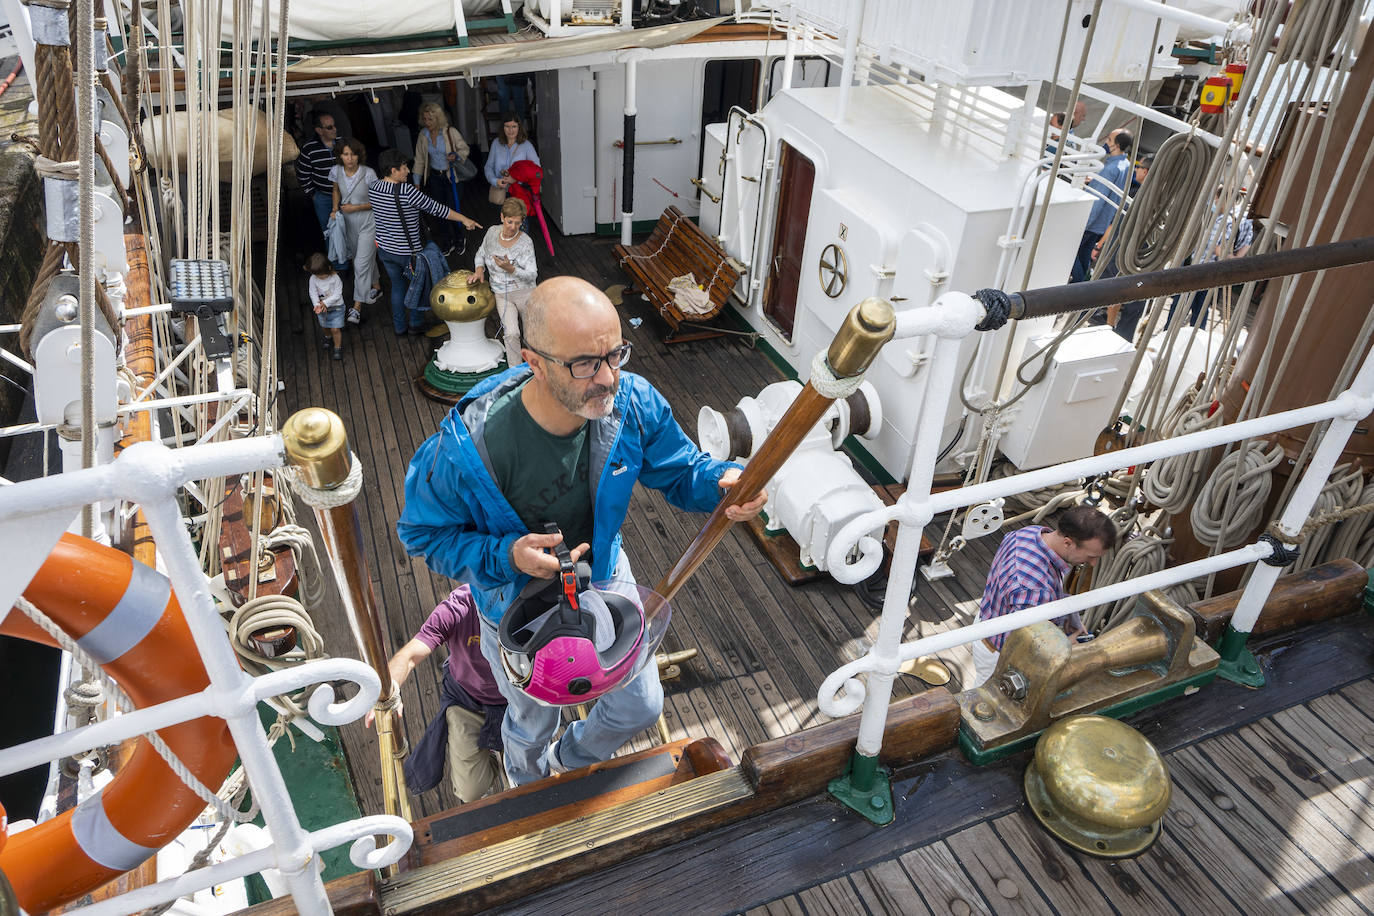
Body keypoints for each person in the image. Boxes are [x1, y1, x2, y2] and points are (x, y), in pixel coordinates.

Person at [396, 276, 766, 787]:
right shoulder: (465, 450)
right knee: (529, 718)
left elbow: (681, 470)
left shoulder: (632, 405)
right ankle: (526, 786)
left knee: (640, 704)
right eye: (586, 364)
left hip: (604, 575)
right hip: (514, 602)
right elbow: (422, 536)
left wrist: (717, 481)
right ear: (534, 362)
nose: (609, 378)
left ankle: (565, 763)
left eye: (616, 355)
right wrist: (507, 555)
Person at [369, 585, 507, 803]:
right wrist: (388, 690)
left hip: (518, 702)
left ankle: (504, 753)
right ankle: (488, 754)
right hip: (467, 700)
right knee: (470, 792)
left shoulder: (529, 601)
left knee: (527, 779)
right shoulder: (459, 606)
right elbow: (410, 655)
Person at [970, 505, 1118, 688]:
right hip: (1000, 655)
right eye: (1091, 556)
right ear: (1067, 542)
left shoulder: (1027, 534)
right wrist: (1066, 646)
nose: (1094, 564)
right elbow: (1030, 646)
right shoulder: (1033, 589)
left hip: (987, 621)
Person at [368, 149, 481, 337]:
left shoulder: (374, 187)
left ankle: (399, 328)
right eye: (403, 168)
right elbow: (438, 209)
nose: (407, 171)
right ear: (392, 170)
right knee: (417, 286)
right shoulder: (407, 191)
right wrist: (464, 219)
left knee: (397, 287)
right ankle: (415, 324)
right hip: (409, 253)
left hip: (386, 249)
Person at [1089, 155, 1151, 342]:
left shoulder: (1135, 194)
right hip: (1130, 255)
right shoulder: (1148, 196)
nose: (1136, 170)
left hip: (1121, 252)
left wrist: (1099, 245)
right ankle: (1110, 326)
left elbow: (1114, 223)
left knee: (1113, 288)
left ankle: (1108, 326)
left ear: (1146, 171)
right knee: (1117, 290)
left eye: (1139, 167)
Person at [470, 197, 537, 367]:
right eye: (509, 222)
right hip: (502, 295)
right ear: (502, 218)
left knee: (531, 337)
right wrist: (479, 269)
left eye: (517, 223)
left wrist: (511, 269)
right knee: (511, 333)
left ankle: (536, 370)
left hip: (525, 293)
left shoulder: (525, 242)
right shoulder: (492, 232)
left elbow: (532, 274)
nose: (513, 227)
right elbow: (481, 253)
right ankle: (514, 371)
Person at [1070, 129, 1133, 283]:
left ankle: (1079, 287)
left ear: (1117, 145)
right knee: (1084, 256)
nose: (1106, 142)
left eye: (1109, 140)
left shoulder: (1110, 169)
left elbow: (1097, 201)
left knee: (1069, 254)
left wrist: (1083, 223)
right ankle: (1084, 288)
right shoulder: (1126, 165)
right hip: (1101, 223)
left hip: (1090, 222)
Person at [329, 137, 380, 325]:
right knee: (361, 256)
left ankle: (357, 307)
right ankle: (376, 285)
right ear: (340, 156)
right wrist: (335, 209)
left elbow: (378, 201)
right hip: (347, 223)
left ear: (359, 156)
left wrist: (356, 208)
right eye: (346, 154)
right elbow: (335, 191)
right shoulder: (336, 171)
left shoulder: (369, 173)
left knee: (360, 264)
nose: (349, 158)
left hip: (368, 220)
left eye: (353, 154)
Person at [412, 103, 473, 256]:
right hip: (435, 177)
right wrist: (417, 182)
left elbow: (464, 148)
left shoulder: (449, 132)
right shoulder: (423, 135)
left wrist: (456, 155)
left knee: (453, 208)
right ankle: (447, 240)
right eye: (425, 119)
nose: (427, 122)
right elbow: (419, 159)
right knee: (438, 211)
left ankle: (459, 238)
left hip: (451, 176)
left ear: (438, 119)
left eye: (430, 119)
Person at [295, 111, 340, 238]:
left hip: (346, 196)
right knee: (329, 232)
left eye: (334, 125)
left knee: (350, 231)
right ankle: (334, 258)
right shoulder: (309, 148)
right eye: (330, 127)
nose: (335, 129)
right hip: (323, 197)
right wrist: (313, 194)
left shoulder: (344, 143)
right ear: (319, 130)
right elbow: (303, 173)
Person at [485, 112, 540, 207]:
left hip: (520, 193)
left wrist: (516, 179)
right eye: (507, 126)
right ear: (503, 127)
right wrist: (495, 181)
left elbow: (537, 171)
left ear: (519, 127)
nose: (510, 130)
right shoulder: (496, 143)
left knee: (522, 221)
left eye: (514, 126)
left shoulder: (527, 146)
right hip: (501, 193)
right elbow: (488, 167)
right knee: (505, 221)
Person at [306, 252, 346, 361]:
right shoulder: (313, 279)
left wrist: (325, 303)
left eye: (321, 275)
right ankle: (327, 337)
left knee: (335, 329)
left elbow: (338, 294)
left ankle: (337, 347)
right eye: (317, 275)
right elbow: (313, 293)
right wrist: (317, 304)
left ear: (328, 268)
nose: (319, 277)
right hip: (322, 309)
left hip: (336, 307)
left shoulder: (335, 278)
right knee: (324, 326)